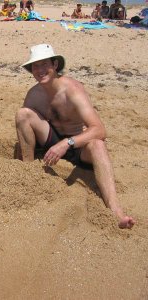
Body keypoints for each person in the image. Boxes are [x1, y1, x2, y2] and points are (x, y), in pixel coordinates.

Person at [15, 44, 135, 229]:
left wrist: (67, 143)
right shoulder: (34, 95)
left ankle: (115, 210)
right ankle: (28, 175)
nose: (40, 70)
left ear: (55, 65)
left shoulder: (72, 89)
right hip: (53, 143)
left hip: (77, 146)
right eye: (35, 66)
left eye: (44, 64)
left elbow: (100, 130)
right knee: (23, 113)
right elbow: (27, 127)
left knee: (98, 144)